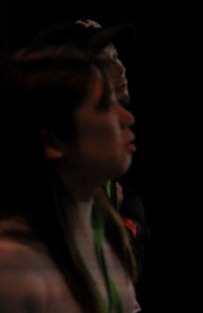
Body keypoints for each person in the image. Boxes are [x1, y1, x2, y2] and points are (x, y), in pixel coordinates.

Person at [0, 46, 141, 312]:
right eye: (105, 106)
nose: (127, 117)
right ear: (53, 143)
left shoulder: (102, 234)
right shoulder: (13, 264)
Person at [28, 19, 150, 271]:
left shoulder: (104, 159)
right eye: (103, 63)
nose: (120, 68)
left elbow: (136, 219)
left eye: (116, 56)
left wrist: (125, 228)